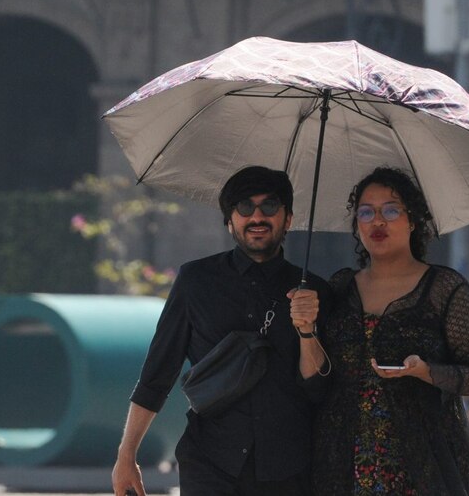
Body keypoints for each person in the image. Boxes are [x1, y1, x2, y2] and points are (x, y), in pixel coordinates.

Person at [112, 166, 331, 496]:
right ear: (230, 221)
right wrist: (126, 455)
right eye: (244, 207)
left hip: (288, 469)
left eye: (270, 206)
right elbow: (157, 373)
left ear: (288, 220)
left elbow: (318, 389)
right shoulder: (195, 281)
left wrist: (306, 330)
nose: (257, 216)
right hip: (210, 462)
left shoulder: (315, 292)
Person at [311, 167, 469, 495]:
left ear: (413, 220)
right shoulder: (339, 288)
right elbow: (317, 374)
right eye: (366, 212)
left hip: (420, 465)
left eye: (391, 209)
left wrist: (426, 372)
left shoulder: (444, 288)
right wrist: (304, 327)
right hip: (340, 460)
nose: (377, 221)